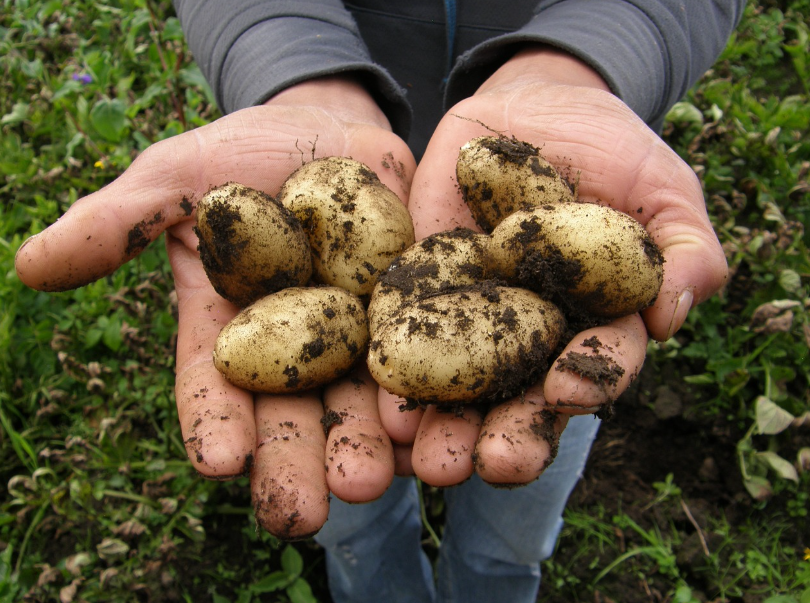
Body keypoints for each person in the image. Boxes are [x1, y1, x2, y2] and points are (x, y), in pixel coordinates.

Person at [15, 1, 740, 601]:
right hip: (342, 139)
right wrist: (297, 74)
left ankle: (494, 579)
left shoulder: (524, 247)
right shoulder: (358, 269)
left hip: (577, 199)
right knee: (348, 507)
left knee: (519, 498)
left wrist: (587, 59)